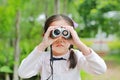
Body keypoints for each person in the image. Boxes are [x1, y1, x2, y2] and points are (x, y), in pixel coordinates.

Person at [18, 14, 107, 80]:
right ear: (45, 35)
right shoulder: (42, 57)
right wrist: (43, 45)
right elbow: (23, 73)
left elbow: (100, 69)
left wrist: (79, 43)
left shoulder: (77, 56)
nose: (60, 39)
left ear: (72, 35)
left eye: (65, 33)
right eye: (55, 33)